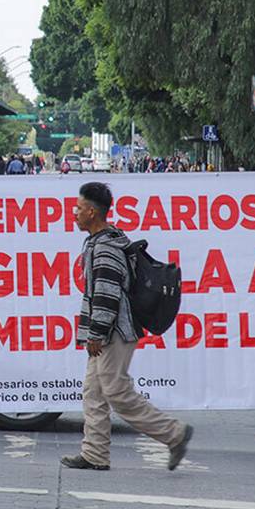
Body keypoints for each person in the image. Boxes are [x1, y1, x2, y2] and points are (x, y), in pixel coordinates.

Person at [61, 182, 193, 471]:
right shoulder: (102, 241)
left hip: (114, 333)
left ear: (92, 212)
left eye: (79, 208)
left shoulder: (106, 247)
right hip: (110, 331)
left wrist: (96, 333)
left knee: (116, 392)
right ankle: (94, 454)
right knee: (93, 392)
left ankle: (174, 433)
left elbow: (107, 293)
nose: (74, 213)